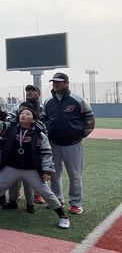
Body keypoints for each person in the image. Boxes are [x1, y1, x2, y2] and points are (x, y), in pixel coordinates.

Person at [0, 105, 70, 228]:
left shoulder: (39, 134)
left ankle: (63, 216)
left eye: (27, 114)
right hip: (12, 167)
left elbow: (47, 153)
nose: (23, 115)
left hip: (31, 170)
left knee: (46, 192)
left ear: (33, 119)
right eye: (21, 113)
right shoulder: (10, 128)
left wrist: (47, 171)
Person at [44, 72, 95, 215]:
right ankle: (57, 199)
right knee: (54, 173)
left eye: (59, 82)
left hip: (73, 144)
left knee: (75, 174)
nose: (55, 84)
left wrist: (80, 135)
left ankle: (76, 203)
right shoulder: (48, 102)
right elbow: (44, 120)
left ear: (67, 83)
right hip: (53, 143)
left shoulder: (78, 100)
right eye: (54, 81)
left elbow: (90, 120)